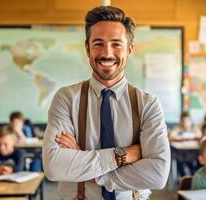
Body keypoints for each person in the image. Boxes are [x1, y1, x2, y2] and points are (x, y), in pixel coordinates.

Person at [42, 6, 170, 200]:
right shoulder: (66, 98)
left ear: (129, 49)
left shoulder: (148, 104)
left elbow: (158, 174)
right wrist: (124, 155)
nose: (107, 53)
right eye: (98, 43)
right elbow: (54, 166)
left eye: (116, 44)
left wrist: (84, 164)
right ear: (87, 48)